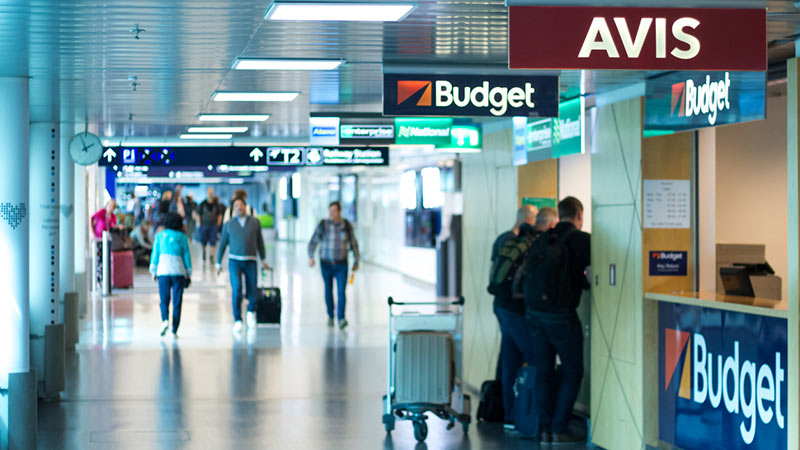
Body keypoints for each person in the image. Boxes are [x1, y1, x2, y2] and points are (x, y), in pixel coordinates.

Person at [523, 197, 591, 444]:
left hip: (533, 313)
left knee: (544, 369)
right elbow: (591, 277)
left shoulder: (542, 238)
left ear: (559, 215)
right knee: (573, 369)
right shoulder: (583, 241)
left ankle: (544, 429)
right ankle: (560, 429)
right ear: (579, 215)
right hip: (560, 316)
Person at [489, 205, 559, 429]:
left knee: (510, 358)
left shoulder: (504, 240)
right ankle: (534, 415)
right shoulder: (531, 243)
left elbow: (494, 272)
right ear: (530, 220)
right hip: (517, 309)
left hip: (500, 305)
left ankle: (511, 414)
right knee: (535, 357)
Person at [216, 197, 269, 334]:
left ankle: (251, 312)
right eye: (236, 206)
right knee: (237, 289)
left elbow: (260, 242)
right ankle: (237, 319)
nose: (239, 208)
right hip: (234, 261)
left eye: (241, 205)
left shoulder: (255, 223)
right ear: (233, 209)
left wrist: (263, 259)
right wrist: (218, 262)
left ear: (246, 206)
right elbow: (222, 244)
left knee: (252, 288)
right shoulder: (229, 224)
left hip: (251, 260)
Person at [308, 201, 360, 330]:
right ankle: (331, 315)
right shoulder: (323, 225)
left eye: (334, 211)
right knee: (328, 290)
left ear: (339, 211)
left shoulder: (346, 225)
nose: (332, 213)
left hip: (341, 264)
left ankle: (341, 318)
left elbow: (354, 244)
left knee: (341, 291)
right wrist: (311, 256)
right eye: (330, 211)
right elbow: (313, 242)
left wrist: (356, 261)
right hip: (326, 264)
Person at [149, 212, 192, 338]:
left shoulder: (160, 236)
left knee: (164, 298)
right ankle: (174, 329)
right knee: (177, 300)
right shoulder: (182, 237)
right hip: (178, 272)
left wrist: (153, 270)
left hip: (163, 271)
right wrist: (189, 273)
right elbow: (187, 256)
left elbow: (155, 255)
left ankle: (165, 320)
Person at [91, 200, 119, 287]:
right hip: (99, 239)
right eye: (109, 205)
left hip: (107, 241)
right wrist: (93, 234)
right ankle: (99, 280)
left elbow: (112, 227)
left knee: (106, 260)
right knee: (99, 260)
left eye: (112, 206)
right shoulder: (102, 213)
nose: (110, 207)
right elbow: (92, 220)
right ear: (106, 205)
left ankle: (105, 280)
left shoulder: (113, 216)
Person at [198, 187, 224, 263]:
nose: (210, 194)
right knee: (203, 241)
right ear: (207, 193)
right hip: (204, 226)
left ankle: (211, 256)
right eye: (209, 192)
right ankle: (204, 252)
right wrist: (200, 225)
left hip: (213, 226)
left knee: (213, 241)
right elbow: (198, 214)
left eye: (212, 192)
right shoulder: (202, 204)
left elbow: (219, 214)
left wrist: (218, 224)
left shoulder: (217, 204)